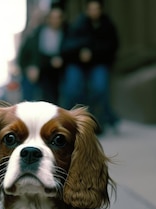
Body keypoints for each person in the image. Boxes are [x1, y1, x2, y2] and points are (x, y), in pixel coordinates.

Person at [60, 0, 119, 133]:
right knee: (74, 90)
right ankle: (71, 122)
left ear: (101, 10)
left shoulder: (107, 25)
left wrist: (92, 51)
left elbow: (112, 46)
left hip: (99, 63)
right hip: (77, 64)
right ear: (87, 10)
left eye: (96, 9)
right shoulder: (78, 25)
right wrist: (82, 50)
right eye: (91, 9)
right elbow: (67, 47)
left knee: (100, 89)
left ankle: (98, 121)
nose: (94, 12)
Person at [17, 7, 67, 104]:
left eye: (58, 17)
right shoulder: (38, 33)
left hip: (57, 73)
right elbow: (26, 54)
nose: (55, 20)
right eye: (53, 17)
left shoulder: (66, 32)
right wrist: (31, 66)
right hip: (39, 69)